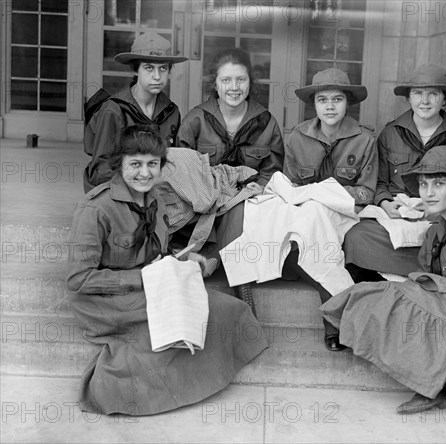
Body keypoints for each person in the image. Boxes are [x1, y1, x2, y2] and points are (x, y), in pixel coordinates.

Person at [67, 125, 267, 415]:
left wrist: (182, 261)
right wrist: (147, 277)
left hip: (150, 285)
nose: (145, 173)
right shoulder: (95, 208)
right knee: (180, 320)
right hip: (102, 300)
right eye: (135, 164)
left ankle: (195, 378)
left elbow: (156, 254)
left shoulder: (156, 199)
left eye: (152, 164)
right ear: (119, 165)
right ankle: (116, 389)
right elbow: (79, 280)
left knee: (224, 309)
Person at [323, 145, 446, 414]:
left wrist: (441, 295)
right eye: (424, 184)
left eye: (439, 184)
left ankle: (438, 380)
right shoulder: (441, 224)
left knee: (395, 306)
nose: (428, 192)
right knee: (377, 296)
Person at [176, 48, 284, 313]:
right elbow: (180, 167)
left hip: (249, 201)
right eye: (226, 81)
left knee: (240, 209)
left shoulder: (266, 122)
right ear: (214, 84)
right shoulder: (197, 119)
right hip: (204, 201)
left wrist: (261, 187)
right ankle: (239, 284)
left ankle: (216, 265)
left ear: (250, 83)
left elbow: (274, 169)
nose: (234, 87)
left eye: (241, 80)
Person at [344, 64, 446, 281]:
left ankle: (421, 289)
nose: (425, 101)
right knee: (356, 235)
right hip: (393, 218)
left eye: (433, 94)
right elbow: (378, 181)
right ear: (408, 98)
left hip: (437, 219)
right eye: (418, 93)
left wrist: (434, 209)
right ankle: (372, 293)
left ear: (444, 101)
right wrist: (386, 203)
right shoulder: (391, 133)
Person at [282, 67, 377, 351]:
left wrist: (326, 195)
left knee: (329, 251)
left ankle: (337, 322)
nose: (330, 106)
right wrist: (313, 200)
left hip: (349, 215)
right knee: (312, 246)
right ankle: (340, 322)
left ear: (348, 102)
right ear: (314, 104)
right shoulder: (297, 137)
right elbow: (290, 187)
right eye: (323, 100)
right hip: (310, 217)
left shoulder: (365, 139)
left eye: (337, 99)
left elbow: (367, 191)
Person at [83, 32, 187, 193]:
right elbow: (100, 172)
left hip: (159, 193)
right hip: (118, 193)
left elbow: (173, 161)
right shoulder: (114, 110)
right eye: (149, 68)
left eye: (163, 68)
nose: (157, 76)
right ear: (135, 69)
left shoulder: (171, 112)